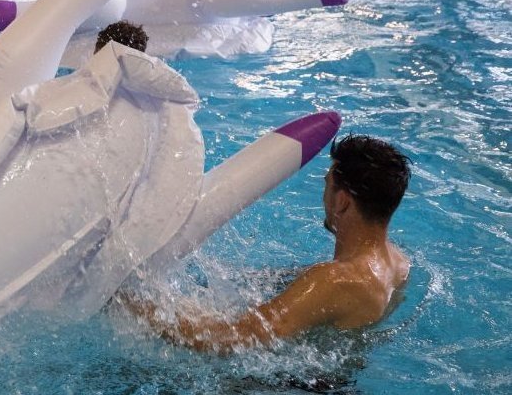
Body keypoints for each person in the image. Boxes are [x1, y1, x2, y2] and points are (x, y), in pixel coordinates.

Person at [119, 135, 411, 353]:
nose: (323, 195)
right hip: (334, 385)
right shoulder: (398, 264)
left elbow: (232, 339)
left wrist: (135, 307)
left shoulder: (333, 280)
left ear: (342, 201)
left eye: (326, 183)